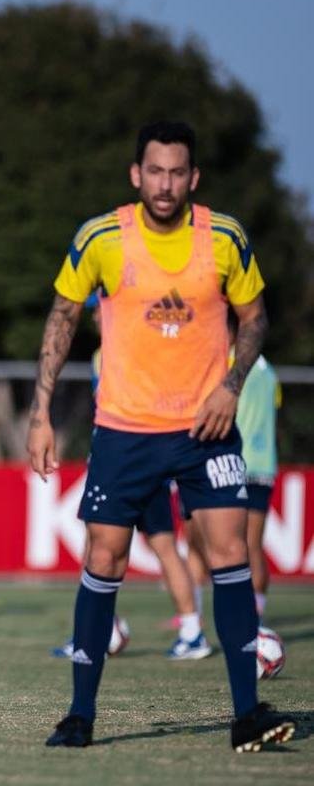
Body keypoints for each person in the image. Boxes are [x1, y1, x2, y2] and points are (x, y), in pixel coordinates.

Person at [27, 121, 295, 751]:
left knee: (231, 555)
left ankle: (246, 714)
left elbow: (255, 319)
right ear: (136, 175)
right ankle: (80, 715)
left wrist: (231, 384)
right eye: (155, 171)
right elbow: (63, 316)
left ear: (193, 178)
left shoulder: (224, 237)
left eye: (177, 172)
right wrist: (41, 413)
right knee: (103, 559)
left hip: (207, 428)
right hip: (124, 430)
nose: (166, 183)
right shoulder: (101, 237)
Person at [52, 298, 210, 661]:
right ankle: (190, 632)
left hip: (124, 462)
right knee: (161, 544)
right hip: (140, 460)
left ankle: (96, 634)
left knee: (99, 547)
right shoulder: (104, 352)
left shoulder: (128, 347)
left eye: (99, 307)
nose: (94, 315)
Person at [185, 323, 281, 623]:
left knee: (201, 539)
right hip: (264, 464)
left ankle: (195, 613)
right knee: (253, 544)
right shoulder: (270, 373)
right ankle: (256, 611)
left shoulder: (227, 367)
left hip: (231, 461)